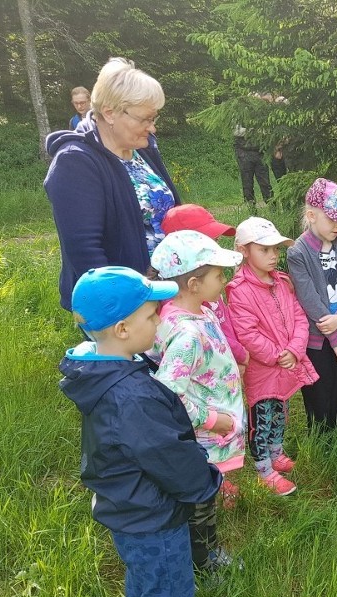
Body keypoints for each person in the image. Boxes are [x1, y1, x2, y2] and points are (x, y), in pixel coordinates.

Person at [59, 266, 221, 597]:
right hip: (153, 518)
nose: (159, 320)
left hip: (126, 508)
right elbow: (165, 455)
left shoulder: (103, 369)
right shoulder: (132, 396)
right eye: (151, 315)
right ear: (122, 329)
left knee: (146, 588)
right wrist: (206, 480)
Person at [45, 57, 179, 311]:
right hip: (123, 303)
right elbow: (85, 251)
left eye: (154, 118)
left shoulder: (143, 149)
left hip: (167, 289)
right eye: (145, 119)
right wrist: (121, 308)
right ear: (109, 113)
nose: (152, 128)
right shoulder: (75, 162)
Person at [151, 231, 246, 570]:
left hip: (211, 433)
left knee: (206, 496)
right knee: (201, 500)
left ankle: (204, 552)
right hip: (204, 438)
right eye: (219, 275)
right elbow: (167, 392)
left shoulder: (197, 313)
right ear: (193, 283)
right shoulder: (187, 334)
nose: (224, 280)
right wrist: (211, 420)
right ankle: (204, 561)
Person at [226, 217, 318, 495]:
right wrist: (279, 355)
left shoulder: (282, 282)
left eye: (276, 249)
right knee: (261, 419)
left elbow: (300, 317)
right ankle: (264, 469)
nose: (273, 256)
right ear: (244, 250)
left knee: (281, 412)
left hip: (286, 363)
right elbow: (248, 335)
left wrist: (295, 349)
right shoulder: (239, 291)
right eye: (264, 250)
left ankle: (277, 452)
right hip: (263, 369)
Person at [286, 178, 337, 433]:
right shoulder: (298, 253)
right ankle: (319, 438)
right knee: (320, 389)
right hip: (317, 340)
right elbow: (309, 300)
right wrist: (334, 338)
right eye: (332, 219)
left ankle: (335, 431)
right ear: (311, 215)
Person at [161, 204, 250, 383]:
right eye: (210, 241)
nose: (215, 246)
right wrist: (239, 354)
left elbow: (223, 321)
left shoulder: (208, 290)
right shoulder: (188, 301)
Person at [233, 125, 273, 207]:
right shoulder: (238, 114)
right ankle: (251, 209)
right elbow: (236, 131)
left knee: (265, 183)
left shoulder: (260, 114)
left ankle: (272, 207)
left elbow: (267, 131)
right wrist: (255, 131)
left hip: (260, 152)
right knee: (247, 184)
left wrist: (250, 131)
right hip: (243, 152)